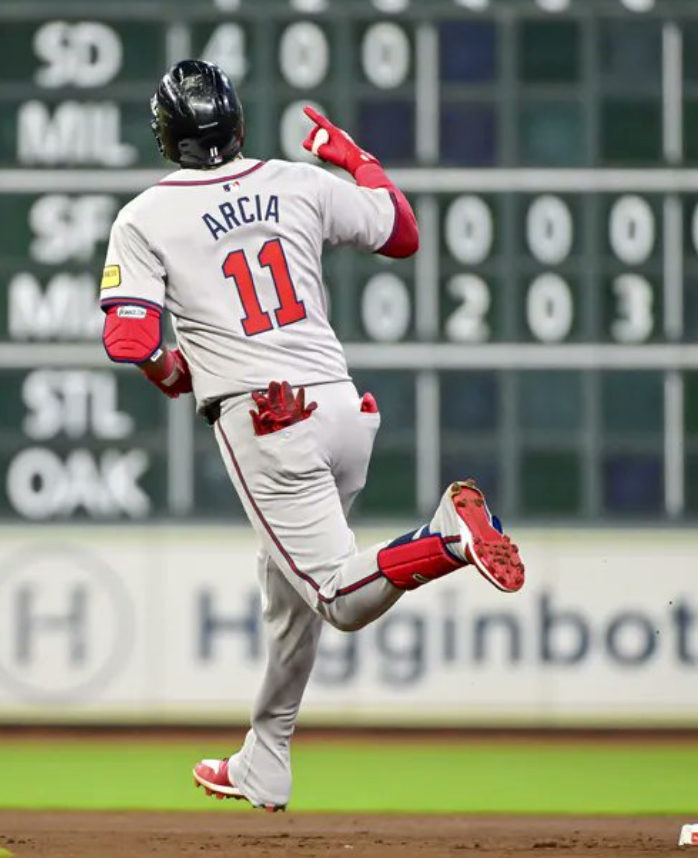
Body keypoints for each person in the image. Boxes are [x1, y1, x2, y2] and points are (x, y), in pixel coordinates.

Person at [99, 59, 526, 811]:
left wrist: (174, 367)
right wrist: (351, 156)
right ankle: (265, 757)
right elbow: (401, 232)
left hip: (267, 422)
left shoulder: (144, 216)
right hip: (341, 409)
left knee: (335, 596)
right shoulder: (297, 180)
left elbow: (129, 341)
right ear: (237, 125)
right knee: (285, 598)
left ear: (166, 137)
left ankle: (448, 537)